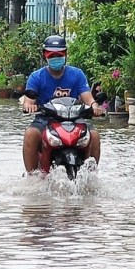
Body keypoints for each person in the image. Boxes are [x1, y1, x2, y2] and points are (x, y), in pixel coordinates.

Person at [21, 35, 104, 176]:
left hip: (75, 119)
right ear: (44, 55)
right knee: (30, 134)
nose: (55, 57)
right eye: (51, 54)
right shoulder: (36, 77)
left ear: (65, 54)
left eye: (59, 54)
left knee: (94, 136)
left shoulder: (77, 74)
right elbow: (29, 100)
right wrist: (29, 106)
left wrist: (94, 106)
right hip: (45, 120)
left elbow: (87, 96)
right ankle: (32, 176)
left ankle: (91, 175)